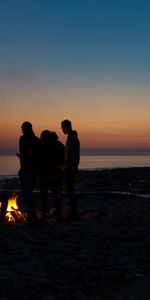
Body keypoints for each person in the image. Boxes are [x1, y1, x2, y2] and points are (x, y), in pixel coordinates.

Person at [18, 121, 40, 226]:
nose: (21, 130)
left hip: (26, 169)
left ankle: (32, 217)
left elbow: (24, 153)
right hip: (35, 170)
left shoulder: (23, 139)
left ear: (26, 128)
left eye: (22, 128)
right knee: (29, 194)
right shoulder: (37, 140)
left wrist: (22, 159)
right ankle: (32, 217)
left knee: (28, 195)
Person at [39, 130, 65, 222]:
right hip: (56, 174)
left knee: (44, 195)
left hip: (45, 174)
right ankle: (58, 212)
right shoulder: (59, 144)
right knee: (56, 195)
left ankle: (44, 214)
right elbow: (64, 158)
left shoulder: (42, 145)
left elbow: (39, 158)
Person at [61, 119, 80, 220]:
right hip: (73, 166)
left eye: (62, 128)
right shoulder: (74, 137)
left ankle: (73, 213)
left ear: (65, 127)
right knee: (70, 190)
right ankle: (73, 212)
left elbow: (69, 154)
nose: (62, 130)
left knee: (70, 191)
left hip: (70, 167)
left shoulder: (71, 137)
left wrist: (64, 166)